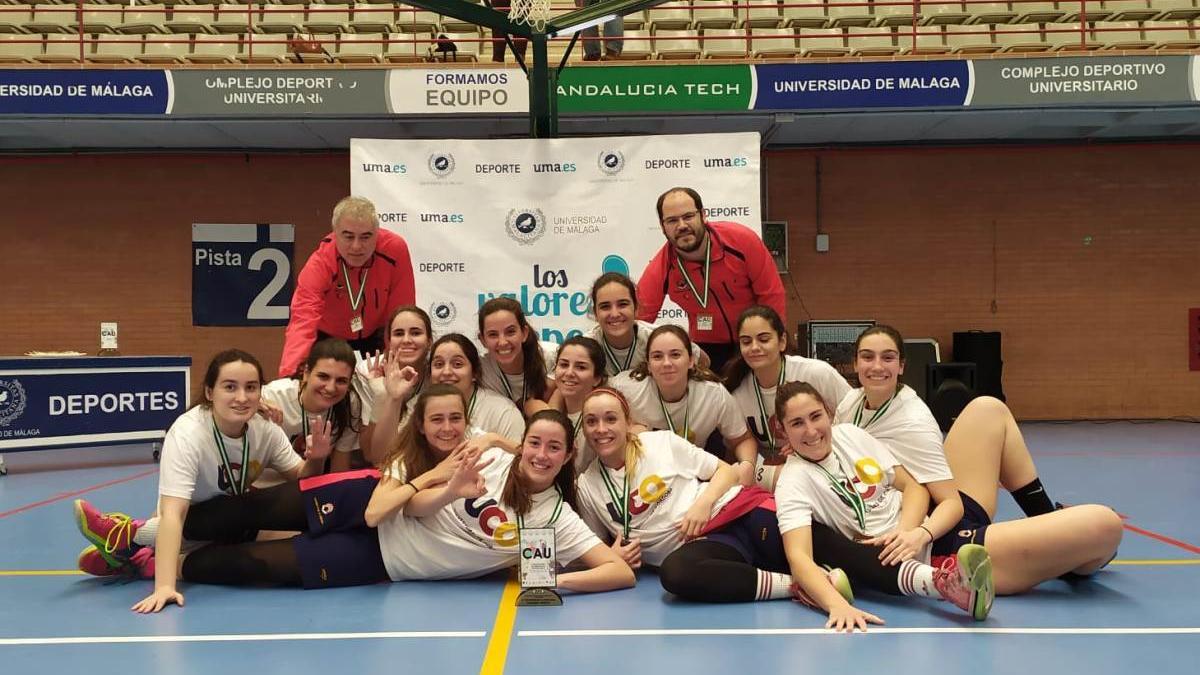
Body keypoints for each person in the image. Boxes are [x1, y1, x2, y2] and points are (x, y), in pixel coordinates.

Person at [74, 390, 634, 603]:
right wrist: (450, 482)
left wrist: (549, 579)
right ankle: (136, 533)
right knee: (245, 512)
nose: (539, 454)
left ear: (566, 458)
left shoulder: (556, 517)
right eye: (534, 443)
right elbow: (408, 504)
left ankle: (146, 563)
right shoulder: (484, 455)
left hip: (381, 559)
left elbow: (619, 573)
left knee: (245, 565)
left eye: (553, 449)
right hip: (367, 500)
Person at [834, 325, 1123, 592]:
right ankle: (1055, 530)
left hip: (942, 536)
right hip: (915, 509)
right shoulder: (850, 404)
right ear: (856, 364)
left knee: (1106, 525)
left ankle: (1067, 551)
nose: (877, 366)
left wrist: (919, 534)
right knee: (988, 408)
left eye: (888, 358)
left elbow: (950, 504)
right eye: (867, 357)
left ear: (901, 366)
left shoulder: (912, 421)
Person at [71, 349, 332, 611]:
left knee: (295, 541)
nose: (242, 397)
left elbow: (301, 479)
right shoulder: (188, 433)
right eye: (230, 387)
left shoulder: (265, 431)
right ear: (209, 392)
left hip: (235, 526)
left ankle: (134, 552)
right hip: (191, 523)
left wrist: (317, 459)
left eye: (251, 388)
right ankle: (133, 536)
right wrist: (165, 587)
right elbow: (175, 513)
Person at [772, 381, 996, 627]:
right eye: (797, 423)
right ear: (782, 430)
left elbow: (913, 486)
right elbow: (799, 556)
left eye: (816, 416)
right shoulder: (793, 482)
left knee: (991, 411)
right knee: (1041, 542)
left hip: (929, 527)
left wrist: (906, 532)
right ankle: (948, 583)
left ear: (828, 412)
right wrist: (837, 605)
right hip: (918, 558)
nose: (811, 430)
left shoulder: (850, 435)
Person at [636, 187, 786, 373]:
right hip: (707, 348)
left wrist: (773, 343)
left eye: (688, 216)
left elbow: (771, 294)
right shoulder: (661, 267)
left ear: (703, 215)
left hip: (752, 340)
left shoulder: (741, 241)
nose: (682, 225)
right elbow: (638, 320)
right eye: (672, 220)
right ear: (662, 226)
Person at [279, 196, 415, 379]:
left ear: (377, 233)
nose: (357, 246)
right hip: (329, 337)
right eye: (348, 236)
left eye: (366, 237)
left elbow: (401, 313)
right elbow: (303, 320)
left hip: (376, 334)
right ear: (335, 233)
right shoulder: (321, 263)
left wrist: (397, 366)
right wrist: (290, 377)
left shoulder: (395, 250)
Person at [609, 325, 758, 486]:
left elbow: (742, 439)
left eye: (675, 355)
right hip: (642, 480)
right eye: (657, 357)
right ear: (649, 365)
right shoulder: (625, 389)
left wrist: (747, 465)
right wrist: (628, 430)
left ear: (691, 360)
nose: (667, 363)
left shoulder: (712, 394)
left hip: (693, 478)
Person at [723, 306, 850, 489]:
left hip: (826, 461)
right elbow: (740, 447)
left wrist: (808, 441)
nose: (755, 347)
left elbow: (855, 420)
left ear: (782, 341)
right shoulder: (736, 392)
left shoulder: (817, 373)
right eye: (746, 341)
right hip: (776, 473)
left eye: (764, 339)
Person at [261, 338, 363, 474]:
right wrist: (255, 404)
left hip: (309, 482)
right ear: (307, 373)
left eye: (341, 381)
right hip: (263, 486)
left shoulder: (349, 403)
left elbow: (339, 469)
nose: (331, 388)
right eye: (323, 377)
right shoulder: (274, 395)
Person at [587, 272, 707, 376]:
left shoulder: (658, 338)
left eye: (623, 304)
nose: (614, 314)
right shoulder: (586, 347)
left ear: (636, 308)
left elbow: (704, 361)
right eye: (605, 306)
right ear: (595, 313)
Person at [357, 306, 433, 462]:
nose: (406, 340)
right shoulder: (367, 371)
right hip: (381, 466)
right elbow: (369, 454)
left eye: (415, 333)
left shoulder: (436, 374)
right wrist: (381, 397)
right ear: (389, 341)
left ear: (429, 341)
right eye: (399, 334)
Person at [526, 336, 607, 470]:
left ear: (597, 378)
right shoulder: (552, 409)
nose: (569, 373)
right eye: (563, 365)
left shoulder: (601, 419)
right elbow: (529, 405)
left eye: (580, 367)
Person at [426, 333, 525, 442]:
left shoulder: (503, 412)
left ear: (474, 373)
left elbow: (521, 456)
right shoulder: (419, 406)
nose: (446, 372)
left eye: (457, 364)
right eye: (439, 364)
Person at [477, 297, 556, 408]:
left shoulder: (553, 357)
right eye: (493, 334)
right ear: (483, 340)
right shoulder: (479, 368)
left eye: (510, 332)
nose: (502, 342)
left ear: (524, 333)